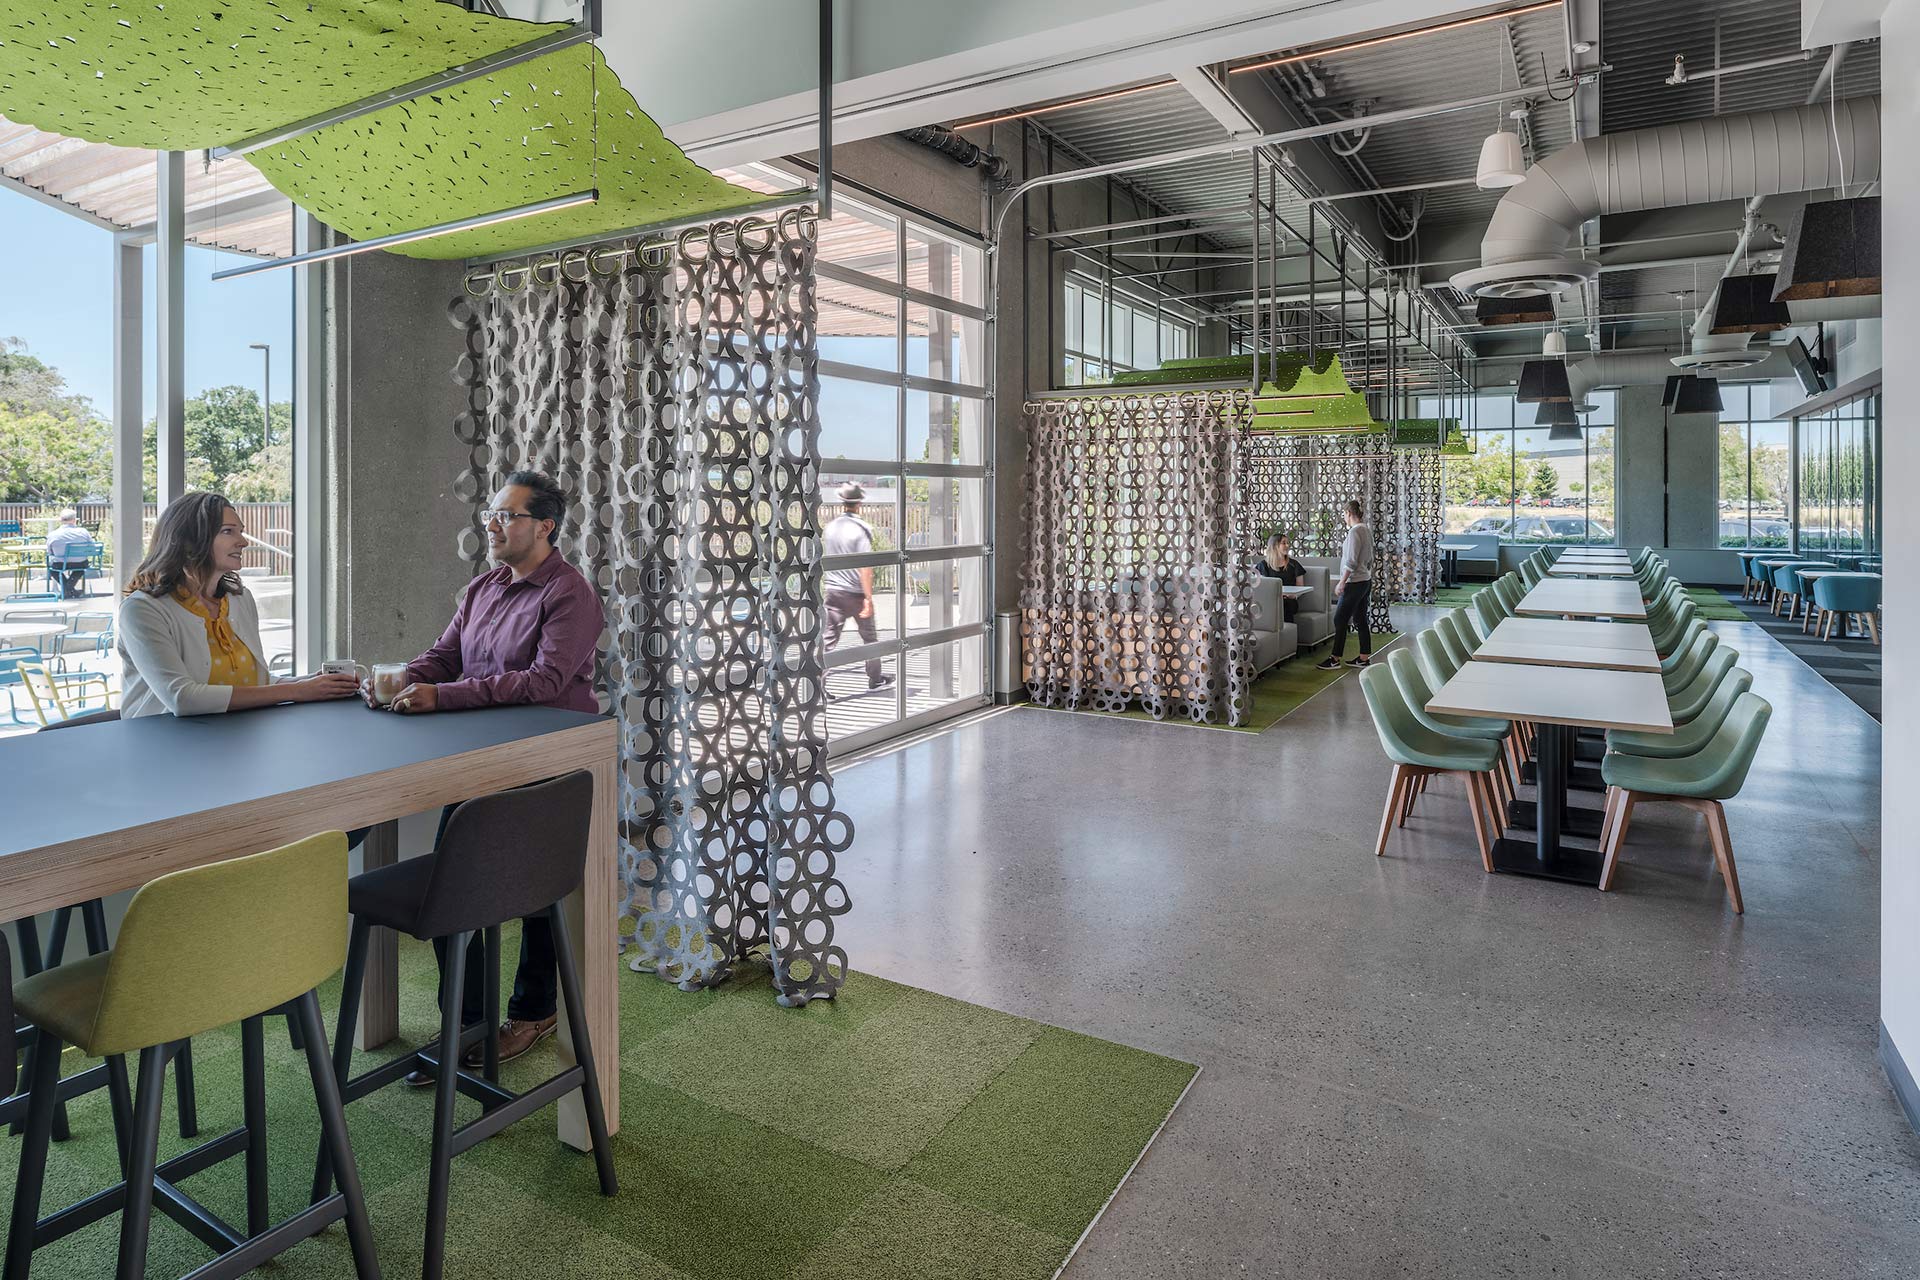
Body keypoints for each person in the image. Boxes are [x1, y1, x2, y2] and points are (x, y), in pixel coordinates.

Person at [377, 470, 602, 1076]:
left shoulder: (569, 594)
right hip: (480, 760)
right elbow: (445, 656)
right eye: (490, 515)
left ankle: (531, 1013)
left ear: (545, 526)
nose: (493, 525)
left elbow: (545, 683)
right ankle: (469, 1022)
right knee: (461, 889)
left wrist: (441, 698)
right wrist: (405, 677)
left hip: (548, 764)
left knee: (535, 896)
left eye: (507, 515)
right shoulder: (482, 588)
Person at [117, 492, 360, 718]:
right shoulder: (142, 610)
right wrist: (298, 691)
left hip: (237, 742)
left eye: (240, 531)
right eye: (228, 531)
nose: (242, 541)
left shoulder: (240, 599)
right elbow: (182, 697)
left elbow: (255, 682)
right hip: (162, 749)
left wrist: (312, 683)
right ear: (189, 540)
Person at [821, 482, 894, 693]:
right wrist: (868, 599)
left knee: (828, 641)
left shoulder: (831, 527)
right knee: (870, 639)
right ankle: (875, 678)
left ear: (842, 501)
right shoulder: (863, 528)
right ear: (860, 502)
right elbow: (865, 567)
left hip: (833, 591)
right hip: (856, 593)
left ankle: (819, 684)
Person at [1317, 499, 1375, 670]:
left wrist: (1342, 582)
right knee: (1359, 618)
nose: (1344, 517)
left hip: (1354, 582)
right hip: (1365, 580)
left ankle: (1334, 659)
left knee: (1340, 618)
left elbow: (1350, 560)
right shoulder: (1366, 530)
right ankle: (1364, 657)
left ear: (1349, 513)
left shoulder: (1354, 532)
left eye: (1344, 514)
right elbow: (1369, 558)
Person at [1256, 531, 1306, 622]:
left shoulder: (1294, 565)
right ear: (1275, 546)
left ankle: (1286, 634)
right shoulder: (1262, 566)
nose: (1287, 545)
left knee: (1284, 604)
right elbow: (1261, 587)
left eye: (1287, 543)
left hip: (1289, 601)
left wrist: (1294, 596)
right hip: (1270, 600)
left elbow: (1300, 588)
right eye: (1284, 543)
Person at [46, 510, 94, 600]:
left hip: (60, 564)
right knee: (81, 568)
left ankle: (67, 589)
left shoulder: (52, 534)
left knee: (52, 568)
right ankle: (70, 589)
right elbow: (91, 547)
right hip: (80, 563)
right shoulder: (83, 532)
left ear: (60, 520)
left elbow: (50, 552)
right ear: (74, 520)